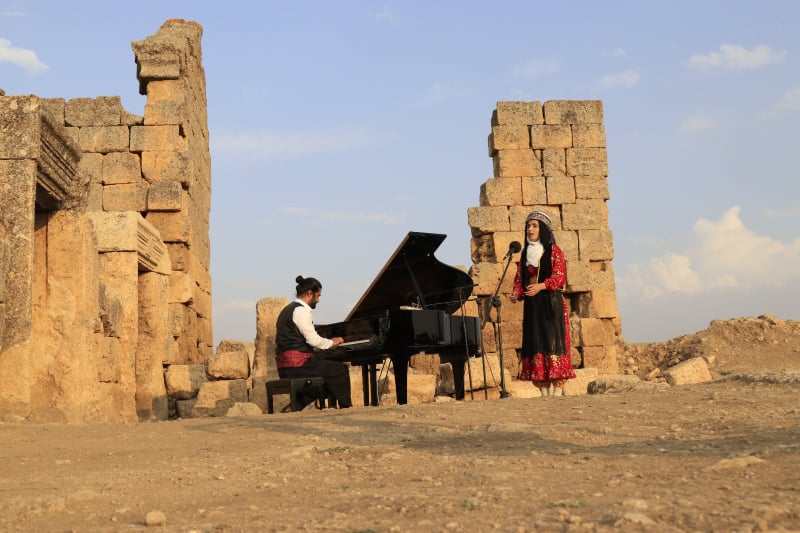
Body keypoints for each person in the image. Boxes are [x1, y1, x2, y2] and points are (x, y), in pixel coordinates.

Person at [509, 210, 576, 397]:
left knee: (553, 342)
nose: (530, 229)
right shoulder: (525, 254)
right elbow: (520, 279)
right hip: (532, 306)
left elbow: (559, 277)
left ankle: (558, 388)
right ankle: (544, 390)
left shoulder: (555, 251)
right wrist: (517, 293)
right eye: (528, 226)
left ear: (543, 229)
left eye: (534, 225)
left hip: (550, 304)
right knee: (535, 343)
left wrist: (541, 286)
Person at [275, 275, 352, 410]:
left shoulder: (287, 310)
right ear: (309, 293)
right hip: (298, 364)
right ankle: (347, 407)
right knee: (340, 370)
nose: (318, 300)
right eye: (318, 296)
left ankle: (293, 407)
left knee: (328, 379)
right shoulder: (301, 311)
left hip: (284, 366)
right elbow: (313, 340)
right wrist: (332, 342)